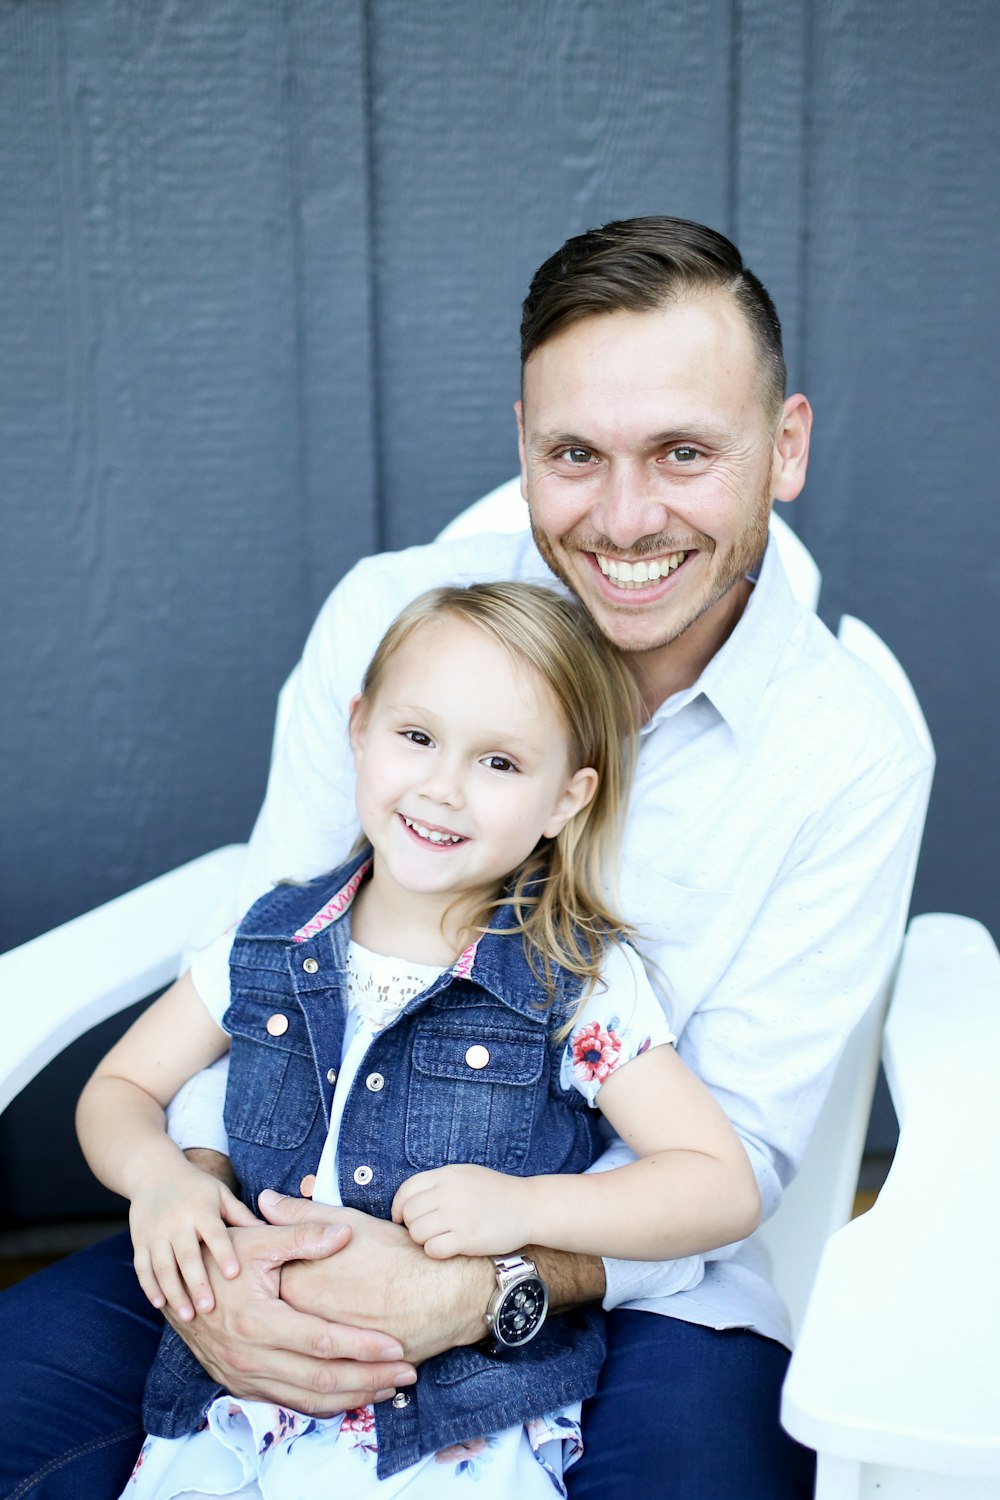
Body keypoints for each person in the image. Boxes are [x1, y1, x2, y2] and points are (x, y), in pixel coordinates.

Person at [0, 216, 932, 1500]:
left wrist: (475, 1283)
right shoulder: (389, 618)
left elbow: (734, 1172)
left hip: (634, 1289)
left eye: (682, 452)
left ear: (784, 449)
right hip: (267, 1225)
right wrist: (212, 1236)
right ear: (521, 445)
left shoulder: (848, 754)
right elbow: (269, 977)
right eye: (573, 453)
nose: (623, 517)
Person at [76, 581, 760, 1499]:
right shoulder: (271, 937)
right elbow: (119, 1089)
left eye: (500, 763)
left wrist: (525, 1212)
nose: (443, 786)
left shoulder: (573, 982)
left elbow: (717, 1183)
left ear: (567, 797)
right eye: (417, 737)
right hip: (236, 1402)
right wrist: (160, 1180)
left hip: (448, 1429)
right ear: (359, 730)